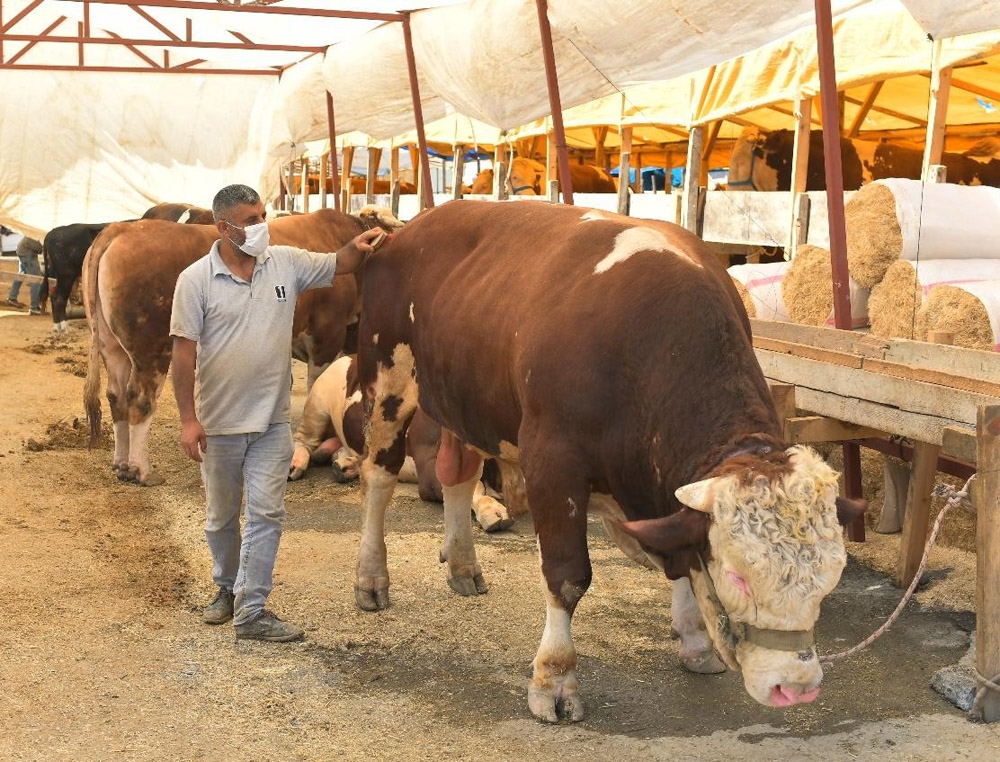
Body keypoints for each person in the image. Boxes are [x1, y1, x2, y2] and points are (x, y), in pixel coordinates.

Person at [169, 184, 383, 642]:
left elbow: (338, 263)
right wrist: (188, 420)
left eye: (263, 215)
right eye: (250, 220)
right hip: (219, 423)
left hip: (271, 423)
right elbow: (183, 355)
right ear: (224, 227)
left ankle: (252, 608)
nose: (261, 226)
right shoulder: (195, 280)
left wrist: (361, 242)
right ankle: (226, 586)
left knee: (266, 514)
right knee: (221, 518)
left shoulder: (283, 262)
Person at [7, 235, 43, 314]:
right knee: (36, 280)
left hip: (22, 250)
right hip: (28, 253)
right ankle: (34, 307)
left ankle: (12, 298)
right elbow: (39, 248)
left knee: (21, 275)